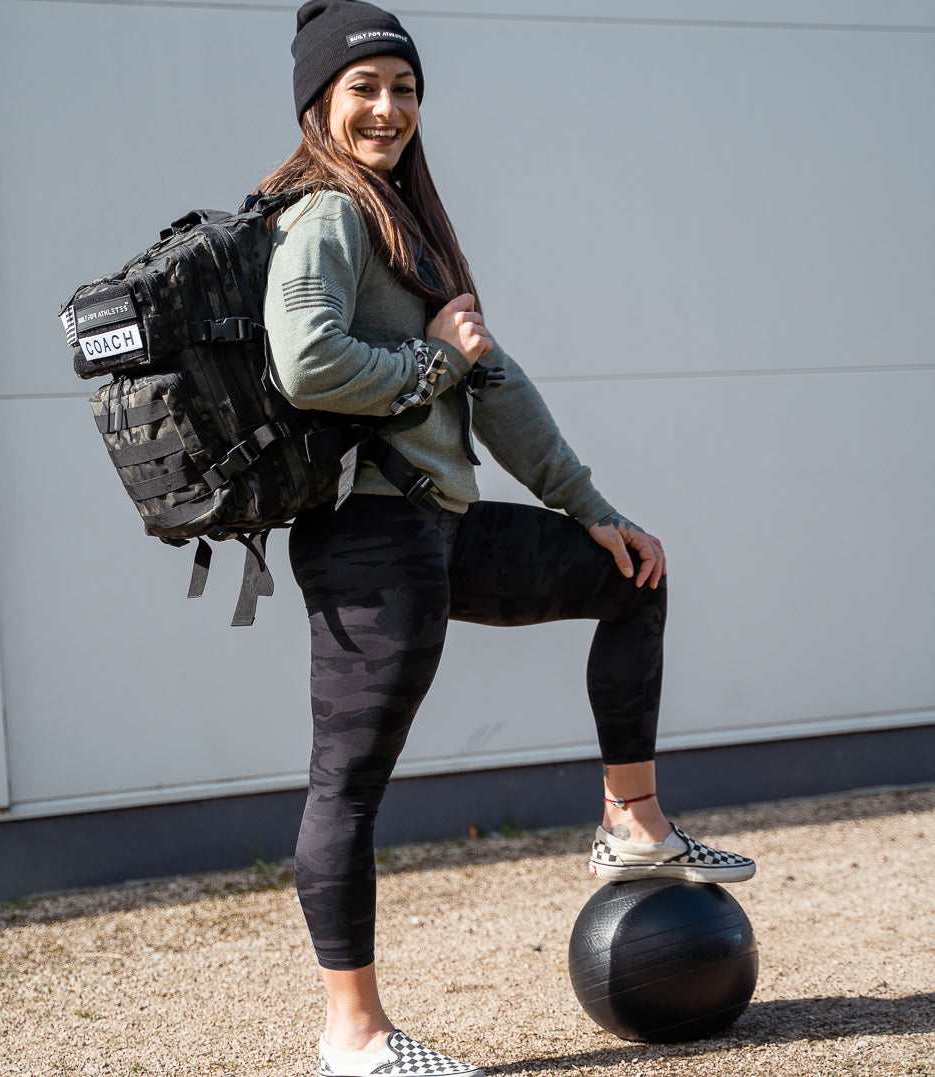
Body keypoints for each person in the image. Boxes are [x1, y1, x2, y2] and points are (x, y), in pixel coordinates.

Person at [258, 4, 756, 1075]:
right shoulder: (325, 216)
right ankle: (353, 1036)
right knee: (348, 785)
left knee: (631, 578)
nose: (389, 108)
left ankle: (634, 826)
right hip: (365, 541)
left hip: (438, 526)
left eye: (404, 86)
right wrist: (435, 363)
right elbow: (307, 364)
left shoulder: (402, 218)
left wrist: (593, 510)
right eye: (365, 88)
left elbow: (498, 386)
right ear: (320, 104)